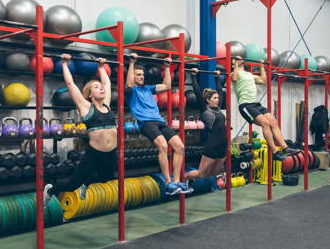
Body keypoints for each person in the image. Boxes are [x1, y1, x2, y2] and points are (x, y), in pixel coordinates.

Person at [43, 54, 117, 206]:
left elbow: (107, 84)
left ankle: (86, 184)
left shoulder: (107, 105)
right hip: (94, 153)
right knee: (72, 185)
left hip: (111, 152)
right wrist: (64, 63)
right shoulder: (85, 107)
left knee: (105, 178)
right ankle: (51, 190)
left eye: (100, 87)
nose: (101, 88)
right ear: (90, 95)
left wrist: (101, 67)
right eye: (96, 87)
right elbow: (70, 84)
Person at [126, 53, 192, 195]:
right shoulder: (130, 91)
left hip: (159, 121)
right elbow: (129, 83)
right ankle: (168, 183)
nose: (141, 77)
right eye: (138, 75)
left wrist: (167, 67)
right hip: (146, 122)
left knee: (179, 147)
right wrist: (131, 63)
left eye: (142, 74)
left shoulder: (148, 88)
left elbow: (167, 86)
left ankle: (176, 182)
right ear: (133, 75)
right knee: (162, 145)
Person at [231, 56, 297, 161]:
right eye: (236, 59)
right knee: (265, 123)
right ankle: (274, 151)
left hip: (256, 104)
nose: (240, 59)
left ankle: (285, 148)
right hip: (245, 106)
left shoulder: (249, 74)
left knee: (273, 122)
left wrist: (262, 67)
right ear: (234, 63)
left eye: (240, 59)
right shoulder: (234, 73)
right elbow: (234, 79)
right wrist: (236, 66)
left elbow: (263, 80)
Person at [185, 68, 226, 180]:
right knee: (201, 174)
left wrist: (217, 78)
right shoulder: (205, 110)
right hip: (212, 146)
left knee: (213, 174)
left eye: (217, 98)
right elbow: (198, 93)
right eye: (214, 98)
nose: (217, 100)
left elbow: (220, 91)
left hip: (223, 146)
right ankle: (182, 179)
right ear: (208, 100)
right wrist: (193, 76)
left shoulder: (218, 109)